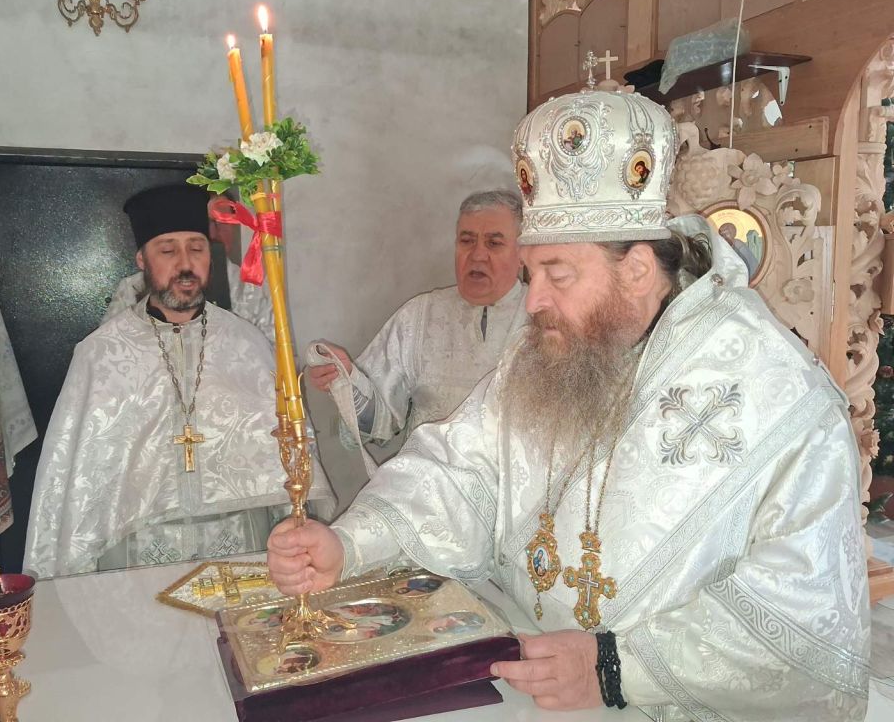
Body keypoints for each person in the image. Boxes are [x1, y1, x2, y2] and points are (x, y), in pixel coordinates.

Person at [269, 89, 869, 720]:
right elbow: (462, 470)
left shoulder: (776, 389)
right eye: (532, 275)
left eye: (558, 274)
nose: (532, 302)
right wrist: (352, 543)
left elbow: (807, 608)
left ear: (637, 270)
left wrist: (617, 667)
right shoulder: (552, 353)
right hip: (527, 672)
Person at [24, 183, 334, 578]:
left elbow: (287, 452)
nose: (185, 264)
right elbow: (74, 478)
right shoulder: (101, 354)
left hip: (239, 545)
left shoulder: (247, 344)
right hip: (138, 547)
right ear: (142, 259)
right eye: (168, 251)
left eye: (197, 248)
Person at [307, 189, 528, 449]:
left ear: (523, 254)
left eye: (494, 243)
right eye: (467, 241)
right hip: (427, 470)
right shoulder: (419, 316)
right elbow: (380, 422)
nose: (478, 255)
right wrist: (347, 380)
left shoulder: (545, 318)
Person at [103, 186, 275, 347]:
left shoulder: (250, 286)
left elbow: (274, 352)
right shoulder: (133, 288)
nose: (214, 232)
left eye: (224, 222)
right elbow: (109, 348)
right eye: (208, 222)